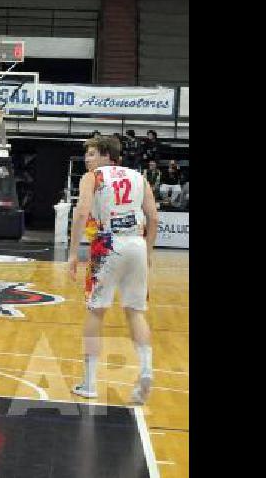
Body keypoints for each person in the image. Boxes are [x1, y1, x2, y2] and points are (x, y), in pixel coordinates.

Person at [67, 135, 159, 406]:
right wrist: (149, 252)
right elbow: (154, 217)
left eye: (92, 154)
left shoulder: (93, 177)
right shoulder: (139, 177)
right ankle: (146, 370)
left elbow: (82, 212)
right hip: (137, 244)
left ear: (108, 155)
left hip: (107, 244)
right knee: (136, 312)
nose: (87, 160)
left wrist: (73, 252)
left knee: (96, 311)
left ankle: (90, 382)